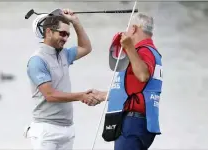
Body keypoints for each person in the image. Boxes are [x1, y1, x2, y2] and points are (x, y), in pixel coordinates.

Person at [25, 8, 101, 150]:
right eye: (62, 33)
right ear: (48, 32)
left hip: (67, 128)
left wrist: (76, 22)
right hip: (46, 130)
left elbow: (86, 47)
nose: (65, 38)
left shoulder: (64, 54)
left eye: (68, 35)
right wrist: (81, 96)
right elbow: (50, 95)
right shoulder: (37, 60)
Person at [95, 12, 163, 150]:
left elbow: (143, 75)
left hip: (133, 122)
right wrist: (102, 95)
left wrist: (129, 48)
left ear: (133, 29)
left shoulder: (144, 51)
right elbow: (134, 89)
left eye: (128, 28)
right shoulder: (152, 52)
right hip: (141, 121)